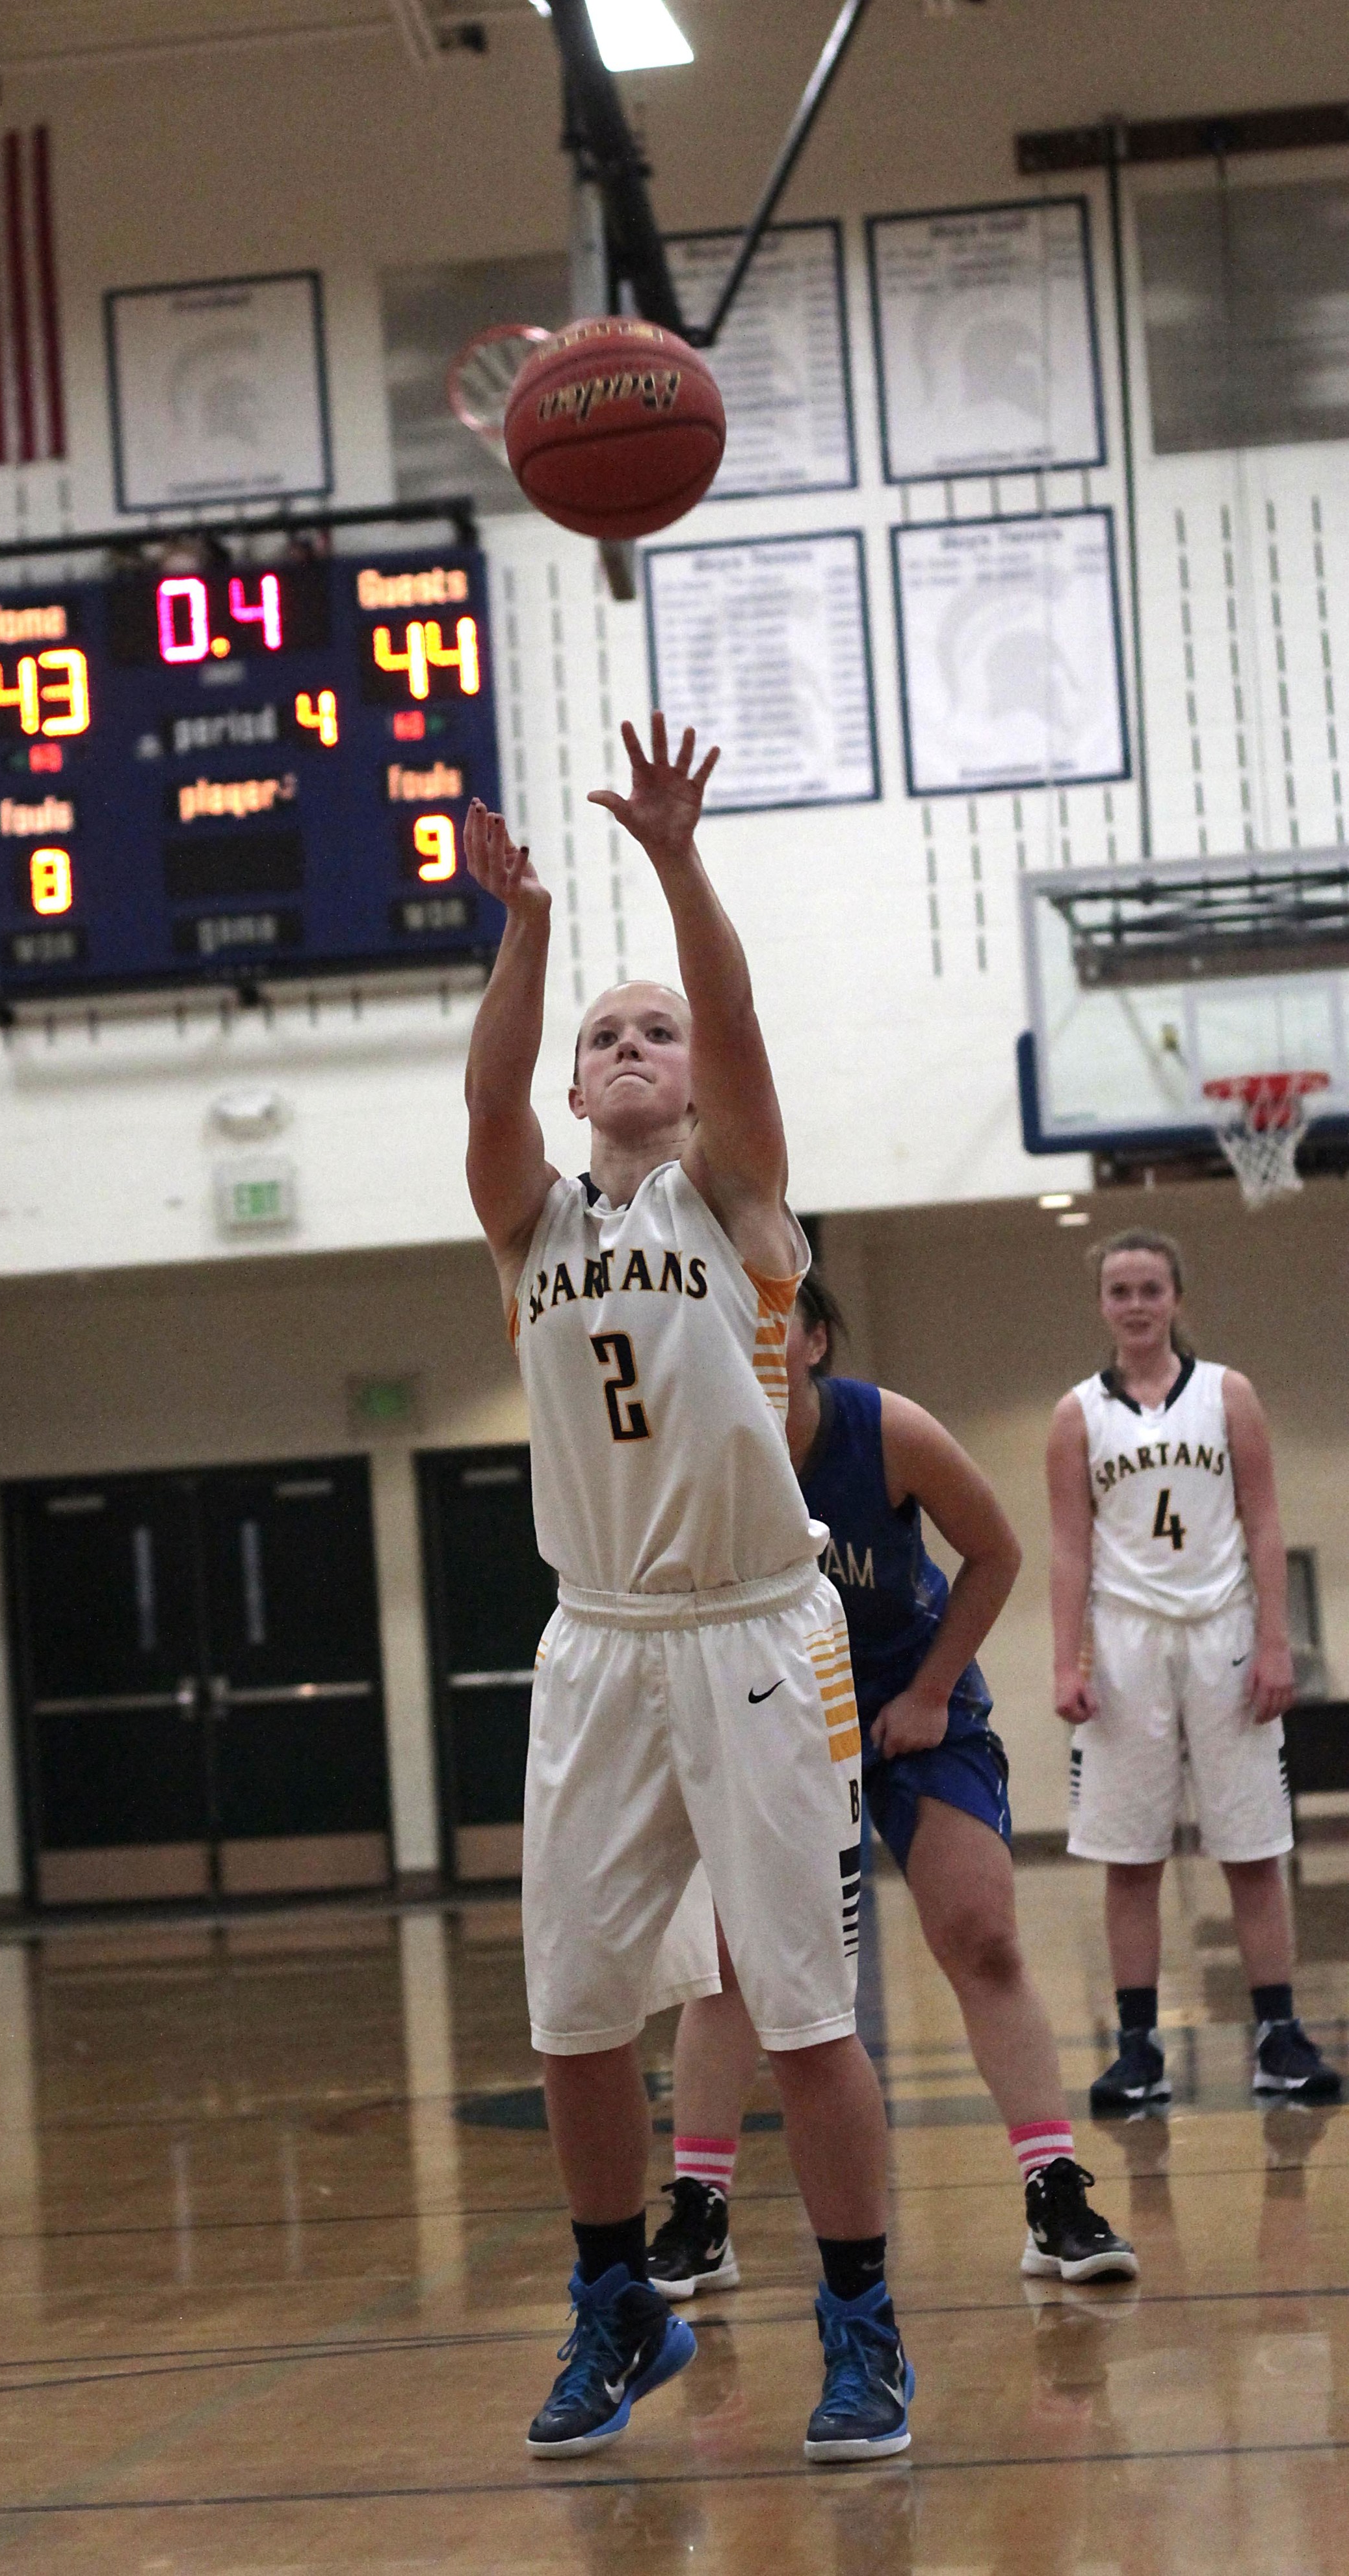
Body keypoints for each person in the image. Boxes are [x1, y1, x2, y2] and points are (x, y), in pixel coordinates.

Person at [462, 716, 913, 2465]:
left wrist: (674, 859)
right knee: (575, 2012)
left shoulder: (738, 1200)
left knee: (798, 2006)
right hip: (594, 1644)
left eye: (658, 1031)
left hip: (753, 1631)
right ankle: (611, 2311)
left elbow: (728, 1028)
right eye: (607, 1034)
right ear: (581, 1087)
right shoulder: (528, 1227)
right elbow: (490, 1096)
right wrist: (524, 940)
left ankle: (862, 2330)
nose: (634, 1044)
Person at [645, 1276, 1137, 2300]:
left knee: (980, 1930)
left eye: (770, 1318)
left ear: (814, 1339)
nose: (746, 1339)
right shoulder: (691, 1446)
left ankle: (1053, 2190)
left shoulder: (889, 1430)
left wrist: (928, 1689)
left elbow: (996, 1553)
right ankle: (700, 2207)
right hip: (767, 1710)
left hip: (906, 1703)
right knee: (728, 1963)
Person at [1047, 1226, 1340, 2111]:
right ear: (1103, 1303)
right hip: (1127, 1642)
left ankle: (1278, 2035)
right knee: (1129, 1858)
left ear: (1177, 1299)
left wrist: (1280, 1641)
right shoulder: (1078, 1414)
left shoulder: (1227, 1394)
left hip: (1225, 1634)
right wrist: (1067, 1658)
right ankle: (1137, 2047)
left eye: (1150, 1289)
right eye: (1120, 1290)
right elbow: (1069, 1547)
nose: (1135, 1304)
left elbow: (1263, 1522)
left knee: (1252, 1849)